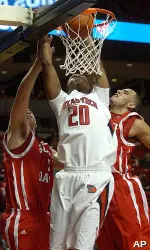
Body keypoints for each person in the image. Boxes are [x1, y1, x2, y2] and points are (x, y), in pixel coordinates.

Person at [38, 35, 117, 250]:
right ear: (67, 83)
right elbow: (46, 66)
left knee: (83, 245)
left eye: (83, 72)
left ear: (91, 81)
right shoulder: (61, 101)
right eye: (72, 74)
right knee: (57, 245)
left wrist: (89, 40)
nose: (77, 74)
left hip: (96, 176)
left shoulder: (100, 97)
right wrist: (43, 44)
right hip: (67, 176)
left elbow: (97, 64)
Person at [0, 41, 54, 250]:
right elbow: (22, 98)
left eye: (32, 112)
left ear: (37, 122)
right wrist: (38, 66)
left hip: (44, 217)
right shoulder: (17, 139)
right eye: (25, 112)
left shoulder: (46, 149)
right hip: (22, 217)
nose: (28, 111)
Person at [96, 88, 150, 250]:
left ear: (131, 104)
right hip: (96, 185)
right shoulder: (98, 116)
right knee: (106, 241)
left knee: (135, 239)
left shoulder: (133, 122)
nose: (119, 90)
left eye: (126, 92)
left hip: (121, 186)